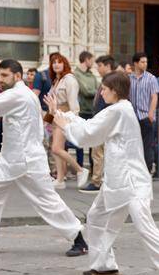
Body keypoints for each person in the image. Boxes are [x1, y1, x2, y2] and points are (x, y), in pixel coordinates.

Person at [51, 71, 159, 275]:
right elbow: (92, 125)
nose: (102, 92)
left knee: (144, 224)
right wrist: (63, 116)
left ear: (114, 91)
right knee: (96, 217)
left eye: (104, 89)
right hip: (117, 180)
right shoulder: (119, 109)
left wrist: (64, 122)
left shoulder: (119, 110)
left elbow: (88, 133)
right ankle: (103, 265)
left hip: (131, 181)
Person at [0, 59, 88, 257]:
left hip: (25, 160)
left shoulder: (17, 95)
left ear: (18, 76)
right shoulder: (26, 94)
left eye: (5, 76)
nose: (0, 80)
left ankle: (78, 238)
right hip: (14, 158)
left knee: (46, 201)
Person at [46, 52, 89, 189]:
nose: (56, 64)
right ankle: (60, 179)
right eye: (54, 62)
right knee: (55, 149)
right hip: (55, 117)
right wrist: (47, 120)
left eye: (59, 62)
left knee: (56, 148)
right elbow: (53, 103)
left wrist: (70, 121)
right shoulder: (56, 81)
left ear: (65, 64)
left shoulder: (69, 79)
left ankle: (80, 170)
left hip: (64, 117)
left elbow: (73, 104)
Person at [79, 55, 116, 194]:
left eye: (99, 66)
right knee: (99, 151)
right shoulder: (107, 80)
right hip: (101, 119)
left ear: (107, 66)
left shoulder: (112, 81)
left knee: (98, 152)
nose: (98, 69)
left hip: (104, 120)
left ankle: (97, 181)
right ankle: (100, 179)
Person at [129, 52, 159, 173]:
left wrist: (151, 114)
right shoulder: (129, 78)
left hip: (145, 117)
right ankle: (134, 171)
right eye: (142, 62)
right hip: (132, 117)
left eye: (146, 62)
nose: (145, 64)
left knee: (147, 146)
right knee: (133, 145)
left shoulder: (151, 78)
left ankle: (147, 170)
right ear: (135, 63)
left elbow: (154, 96)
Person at [73, 51, 99, 168]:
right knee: (80, 141)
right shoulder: (76, 74)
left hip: (92, 111)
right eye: (92, 60)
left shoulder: (92, 75)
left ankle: (93, 169)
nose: (93, 63)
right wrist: (96, 92)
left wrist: (96, 92)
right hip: (81, 111)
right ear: (86, 59)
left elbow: (99, 90)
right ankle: (79, 167)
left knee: (93, 142)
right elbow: (86, 91)